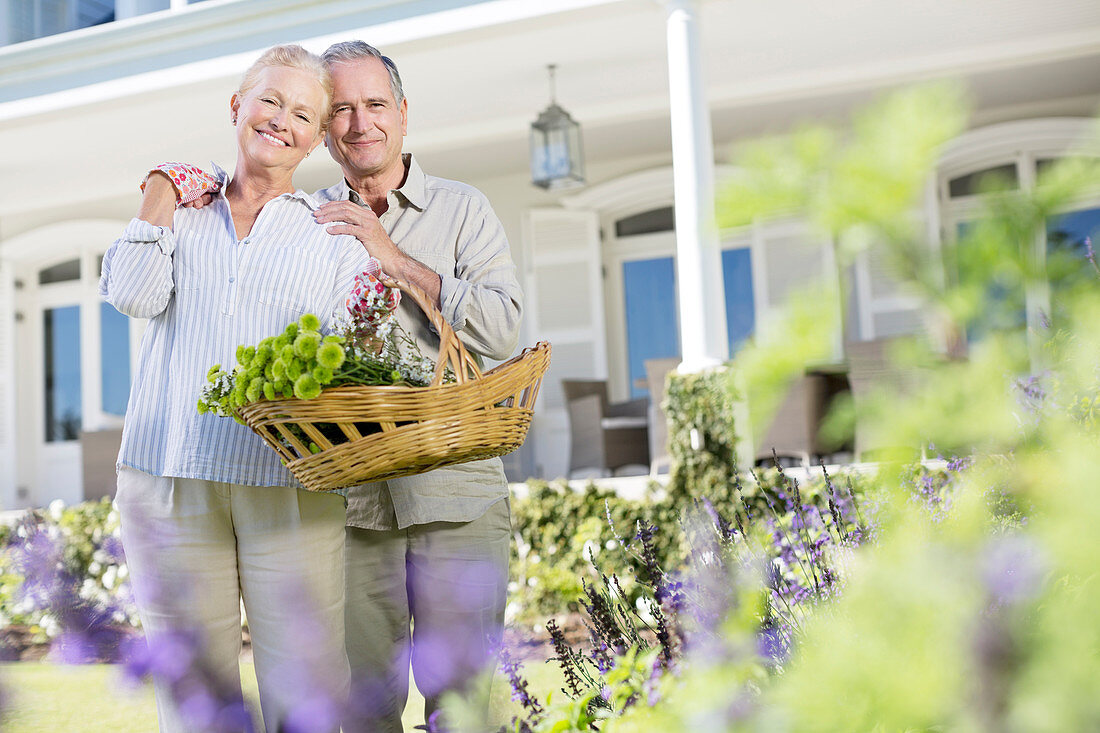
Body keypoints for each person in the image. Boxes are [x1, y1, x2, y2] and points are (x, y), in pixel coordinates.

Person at [99, 44, 375, 733]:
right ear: (237, 107)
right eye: (270, 101)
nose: (282, 120)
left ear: (316, 138)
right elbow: (131, 294)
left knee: (306, 695)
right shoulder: (185, 210)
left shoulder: (331, 233)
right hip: (169, 480)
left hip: (289, 484)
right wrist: (161, 186)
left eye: (303, 114)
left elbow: (362, 351)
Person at [312, 41, 524, 731]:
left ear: (402, 115)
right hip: (352, 513)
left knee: (463, 712)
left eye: (374, 104)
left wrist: (391, 256)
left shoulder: (463, 210)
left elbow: (505, 332)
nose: (358, 122)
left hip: (457, 498)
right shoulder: (305, 222)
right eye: (339, 109)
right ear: (321, 128)